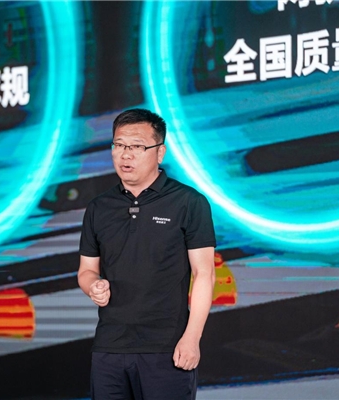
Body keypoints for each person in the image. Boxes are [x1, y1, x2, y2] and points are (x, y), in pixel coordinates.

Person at [78, 108, 216, 399]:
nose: (125, 155)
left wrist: (192, 338)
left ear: (160, 152)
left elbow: (205, 274)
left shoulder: (189, 202)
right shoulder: (99, 207)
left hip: (167, 347)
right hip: (109, 347)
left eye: (137, 147)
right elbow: (86, 270)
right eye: (119, 145)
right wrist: (93, 285)